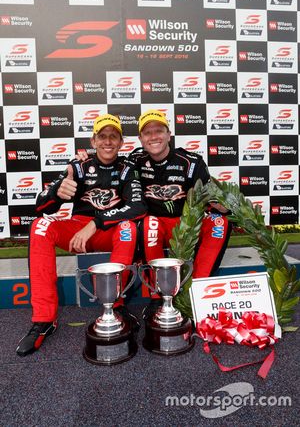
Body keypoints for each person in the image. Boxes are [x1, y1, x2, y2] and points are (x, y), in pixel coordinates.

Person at [16, 114, 147, 356]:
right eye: (102, 136)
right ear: (93, 140)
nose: (108, 142)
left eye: (113, 137)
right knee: (39, 227)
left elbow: (139, 207)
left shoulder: (129, 168)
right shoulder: (77, 166)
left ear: (121, 143)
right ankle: (44, 321)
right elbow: (39, 208)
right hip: (78, 231)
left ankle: (115, 307)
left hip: (107, 230)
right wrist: (57, 192)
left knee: (128, 227)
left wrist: (96, 223)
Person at [125, 109, 231, 301]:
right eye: (147, 133)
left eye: (159, 131)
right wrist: (83, 160)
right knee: (150, 224)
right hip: (155, 227)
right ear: (140, 139)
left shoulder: (191, 162)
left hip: (186, 225)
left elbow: (216, 200)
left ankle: (198, 292)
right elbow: (106, 167)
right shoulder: (134, 160)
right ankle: (157, 297)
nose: (153, 137)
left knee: (219, 222)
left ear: (168, 134)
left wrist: (223, 205)